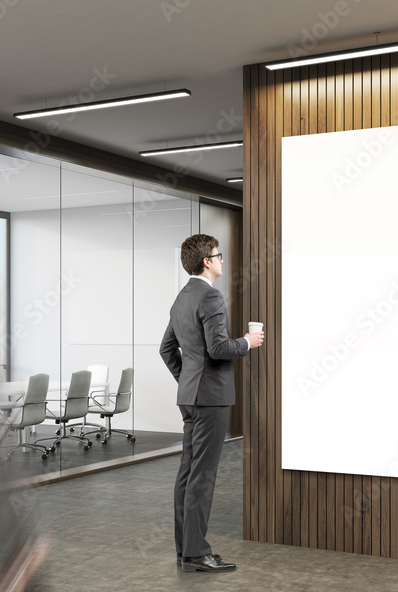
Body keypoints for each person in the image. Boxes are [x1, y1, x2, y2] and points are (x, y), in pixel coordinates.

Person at [159, 233, 264, 573]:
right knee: (202, 476)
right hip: (210, 400)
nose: (222, 260)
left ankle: (184, 548)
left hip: (190, 398)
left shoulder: (181, 299)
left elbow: (166, 349)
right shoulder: (210, 297)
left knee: (188, 473)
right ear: (207, 261)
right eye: (218, 255)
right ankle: (196, 552)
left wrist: (188, 380)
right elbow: (218, 349)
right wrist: (247, 342)